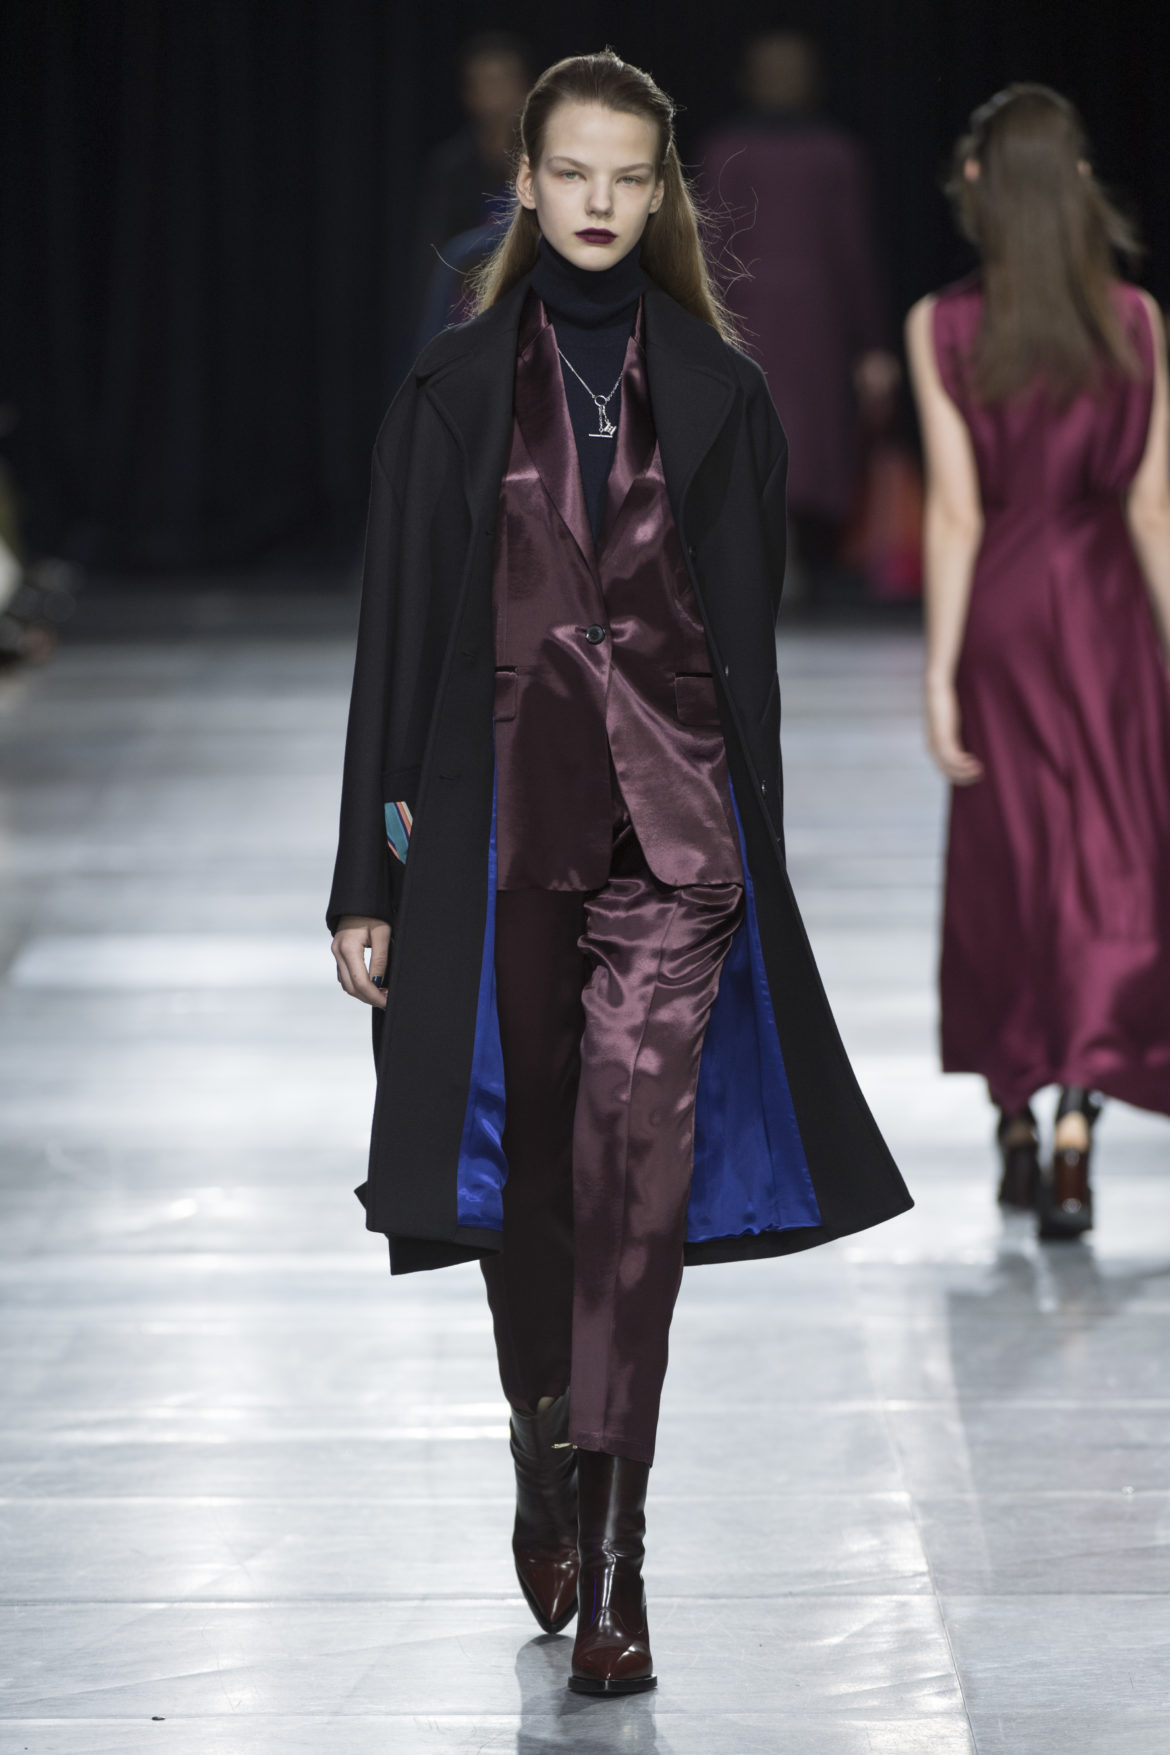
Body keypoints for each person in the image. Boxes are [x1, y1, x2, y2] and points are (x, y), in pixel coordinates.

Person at [330, 49, 912, 1696]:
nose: (596, 201)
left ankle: (618, 1553)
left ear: (661, 196)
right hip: (496, 837)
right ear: (526, 183)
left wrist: (759, 855)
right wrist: (364, 874)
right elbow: (395, 637)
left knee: (631, 1195)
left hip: (674, 844)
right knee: (527, 1185)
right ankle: (543, 1439)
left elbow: (748, 656)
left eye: (627, 176)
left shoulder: (721, 395)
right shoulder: (451, 392)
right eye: (570, 172)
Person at [906, 86, 1170, 1241]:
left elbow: (957, 513)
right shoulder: (1138, 322)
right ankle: (1075, 1123)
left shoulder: (942, 326)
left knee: (1007, 856)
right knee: (1113, 858)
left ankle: (1014, 1111)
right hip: (1108, 611)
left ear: (976, 184)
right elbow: (1153, 510)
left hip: (1006, 614)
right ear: (1076, 184)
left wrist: (938, 672)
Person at [698, 30, 899, 599]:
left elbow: (852, 251)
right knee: (775, 435)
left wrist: (871, 342)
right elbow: (708, 247)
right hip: (766, 317)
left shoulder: (828, 153)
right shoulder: (738, 149)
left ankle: (781, 561)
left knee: (791, 438)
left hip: (797, 318)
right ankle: (774, 561)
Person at [412, 33, 530, 338]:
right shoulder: (450, 167)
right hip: (465, 308)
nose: (496, 96)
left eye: (503, 82)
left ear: (524, 89)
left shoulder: (544, 162)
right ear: (469, 94)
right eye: (485, 84)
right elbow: (436, 252)